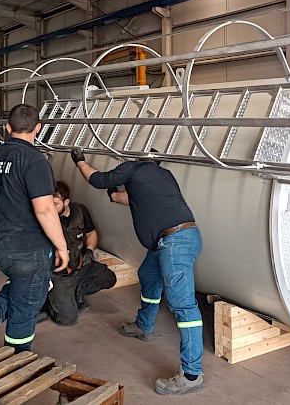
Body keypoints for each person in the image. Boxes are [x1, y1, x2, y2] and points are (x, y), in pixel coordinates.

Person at [71, 147, 204, 396]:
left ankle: (191, 375)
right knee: (148, 277)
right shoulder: (163, 177)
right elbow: (123, 198)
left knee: (183, 306)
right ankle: (143, 326)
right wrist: (113, 193)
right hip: (170, 241)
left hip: (174, 243)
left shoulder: (135, 168)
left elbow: (97, 179)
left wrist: (80, 161)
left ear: (139, 160)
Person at [0, 104, 70, 354]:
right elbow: (45, 210)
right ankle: (16, 361)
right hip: (27, 247)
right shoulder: (35, 160)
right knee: (25, 309)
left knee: (28, 285)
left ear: (7, 127)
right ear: (38, 128)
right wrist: (61, 246)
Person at [42, 181, 116, 325]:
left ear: (66, 202)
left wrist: (89, 250)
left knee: (108, 278)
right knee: (67, 319)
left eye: (55, 203)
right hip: (59, 274)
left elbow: (91, 233)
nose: (51, 208)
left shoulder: (80, 211)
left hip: (80, 266)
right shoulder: (44, 217)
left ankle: (76, 293)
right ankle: (49, 301)